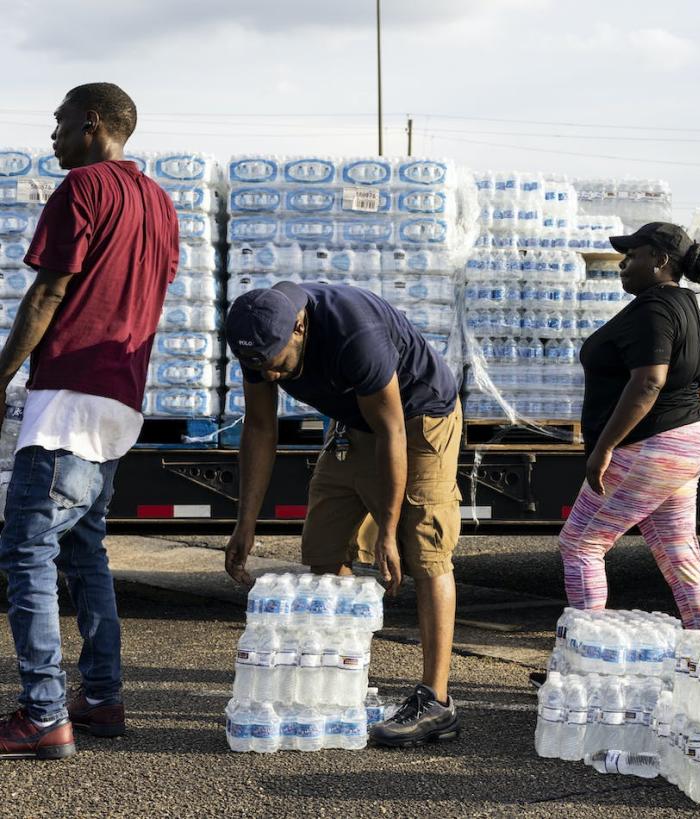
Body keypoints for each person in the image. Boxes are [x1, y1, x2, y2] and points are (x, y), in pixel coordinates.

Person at [0, 83, 179, 759]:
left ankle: (45, 713)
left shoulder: (82, 190)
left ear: (93, 123)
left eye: (60, 123)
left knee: (26, 549)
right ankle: (101, 697)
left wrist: (1, 375)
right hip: (120, 401)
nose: (52, 137)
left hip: (67, 399)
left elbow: (48, 291)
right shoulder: (160, 203)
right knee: (84, 547)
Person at [223, 281, 463, 748]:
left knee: (425, 550)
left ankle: (437, 700)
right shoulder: (257, 336)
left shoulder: (356, 334)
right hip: (353, 421)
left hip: (418, 416)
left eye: (276, 366)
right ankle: (336, 681)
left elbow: (392, 431)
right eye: (259, 368)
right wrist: (244, 524)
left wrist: (388, 532)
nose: (270, 377)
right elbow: (258, 428)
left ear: (299, 327)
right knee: (325, 547)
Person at [559, 222, 700, 630]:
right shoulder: (693, 313)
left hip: (649, 445)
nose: (623, 263)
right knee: (678, 550)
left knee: (581, 543)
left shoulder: (655, 308)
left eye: (633, 254)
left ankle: (588, 658)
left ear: (660, 260)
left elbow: (649, 380)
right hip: (690, 441)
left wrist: (604, 447)